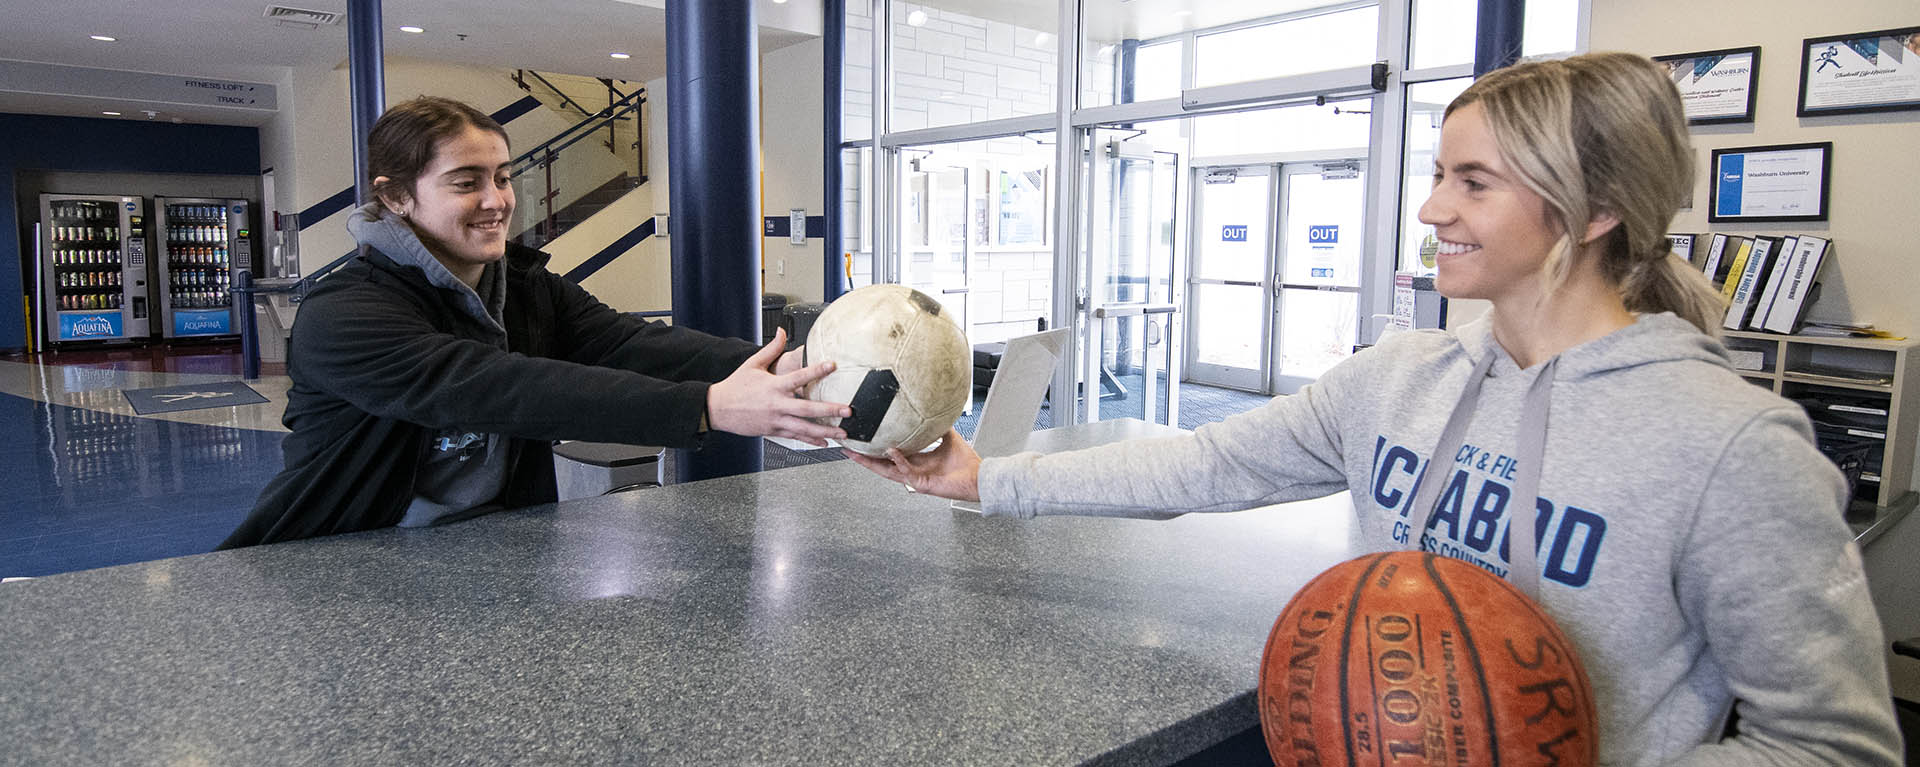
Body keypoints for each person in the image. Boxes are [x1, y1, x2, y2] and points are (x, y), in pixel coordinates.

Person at [851, 53, 1902, 765]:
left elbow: (1834, 742)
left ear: (1593, 210)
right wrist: (984, 476)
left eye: (1475, 182)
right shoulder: (1401, 377)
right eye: (1441, 173)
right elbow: (1206, 464)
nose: (1434, 207)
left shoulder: (1728, 445)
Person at [221, 96, 848, 548]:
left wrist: (783, 364)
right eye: (466, 183)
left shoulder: (523, 286)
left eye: (501, 177)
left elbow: (625, 341)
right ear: (395, 196)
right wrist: (706, 406)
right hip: (344, 556)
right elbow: (499, 388)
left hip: (496, 544)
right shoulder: (345, 314)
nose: (496, 201)